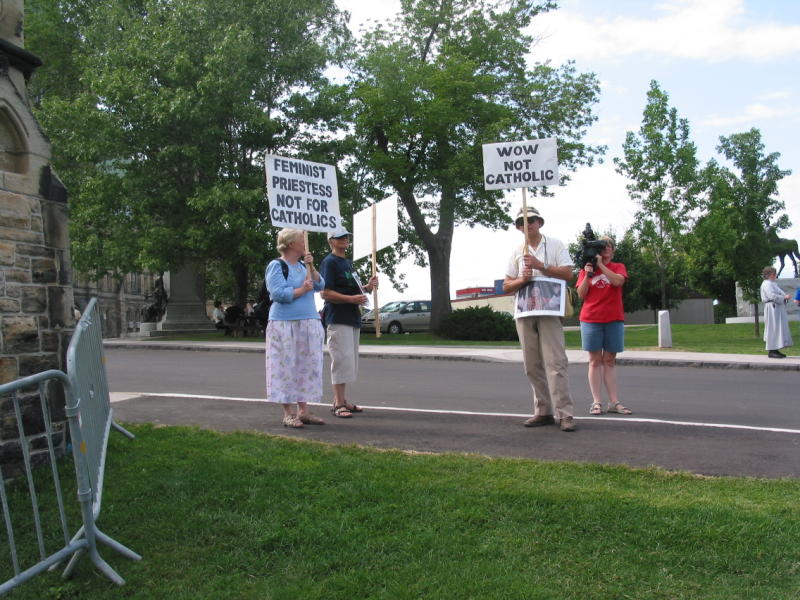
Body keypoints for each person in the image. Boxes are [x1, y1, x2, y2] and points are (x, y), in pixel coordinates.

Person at [503, 206, 577, 432]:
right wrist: (522, 280)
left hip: (550, 310)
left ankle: (565, 414)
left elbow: (568, 273)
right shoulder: (517, 252)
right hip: (525, 312)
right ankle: (543, 411)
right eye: (521, 222)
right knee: (532, 365)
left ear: (540, 222)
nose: (527, 225)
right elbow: (507, 285)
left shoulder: (555, 245)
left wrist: (541, 266)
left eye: (531, 220)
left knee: (555, 363)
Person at [265, 228, 326, 427]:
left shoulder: (302, 266)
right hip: (284, 324)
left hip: (308, 321)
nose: (305, 244)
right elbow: (278, 294)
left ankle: (304, 411)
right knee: (284, 367)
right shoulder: (277, 266)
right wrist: (301, 290)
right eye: (302, 240)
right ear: (291, 244)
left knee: (306, 367)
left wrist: (312, 266)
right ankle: (288, 413)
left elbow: (320, 285)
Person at [319, 227, 379, 418]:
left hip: (352, 317)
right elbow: (325, 292)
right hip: (338, 317)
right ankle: (338, 404)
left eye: (346, 237)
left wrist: (367, 287)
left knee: (349, 361)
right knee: (341, 359)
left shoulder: (347, 263)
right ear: (331, 241)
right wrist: (350, 299)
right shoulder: (329, 263)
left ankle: (343, 400)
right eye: (340, 237)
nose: (345, 240)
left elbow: (354, 290)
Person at [576, 236, 631, 415]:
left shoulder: (618, 267)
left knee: (609, 361)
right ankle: (596, 402)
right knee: (594, 361)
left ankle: (614, 402)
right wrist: (588, 274)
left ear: (613, 250)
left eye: (609, 246)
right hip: (591, 319)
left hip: (613, 319)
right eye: (603, 246)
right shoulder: (586, 269)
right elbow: (581, 294)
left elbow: (618, 281)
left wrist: (601, 266)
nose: (607, 248)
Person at [760, 266, 793, 358]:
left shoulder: (772, 283)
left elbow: (779, 293)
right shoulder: (767, 284)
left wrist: (785, 296)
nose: (775, 275)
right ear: (768, 275)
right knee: (773, 328)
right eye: (773, 274)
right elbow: (772, 296)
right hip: (772, 308)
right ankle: (772, 350)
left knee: (777, 328)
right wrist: (784, 298)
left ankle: (776, 348)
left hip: (776, 308)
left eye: (775, 274)